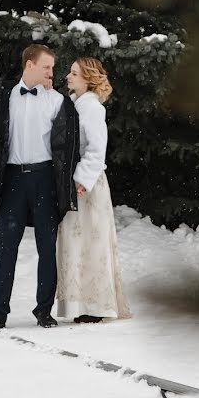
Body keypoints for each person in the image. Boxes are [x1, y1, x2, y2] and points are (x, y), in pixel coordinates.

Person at [0, 44, 80, 329]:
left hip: (44, 181)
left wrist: (68, 187)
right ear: (29, 65)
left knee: (47, 247)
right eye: (47, 67)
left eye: (52, 68)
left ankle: (44, 310)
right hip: (12, 179)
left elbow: (69, 151)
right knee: (6, 246)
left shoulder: (58, 101)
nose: (52, 73)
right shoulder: (6, 97)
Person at [56, 57, 131, 323]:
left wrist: (81, 180)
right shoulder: (75, 105)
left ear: (88, 79)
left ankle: (96, 306)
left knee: (91, 243)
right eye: (69, 72)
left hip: (87, 186)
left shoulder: (91, 108)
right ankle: (78, 304)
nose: (68, 76)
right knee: (76, 243)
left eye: (74, 73)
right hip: (73, 183)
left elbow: (96, 150)